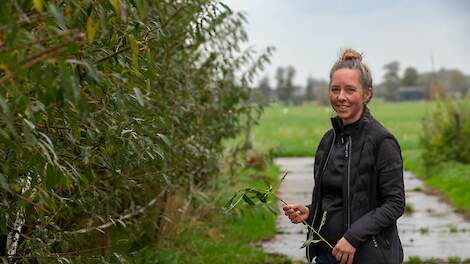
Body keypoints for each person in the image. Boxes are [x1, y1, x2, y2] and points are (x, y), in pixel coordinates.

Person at [282, 49, 405, 264]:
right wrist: (310, 213)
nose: (341, 97)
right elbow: (335, 200)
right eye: (335, 89)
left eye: (350, 90)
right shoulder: (328, 141)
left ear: (367, 94)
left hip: (368, 257)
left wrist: (352, 237)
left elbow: (395, 203)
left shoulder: (382, 142)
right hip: (326, 254)